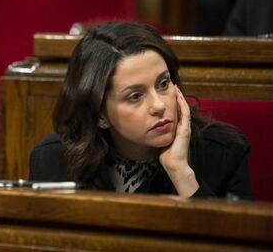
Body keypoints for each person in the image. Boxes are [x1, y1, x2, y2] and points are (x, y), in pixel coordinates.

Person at [29, 22, 252, 199]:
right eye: (135, 96)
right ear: (100, 115)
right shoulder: (54, 159)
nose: (159, 105)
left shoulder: (223, 152)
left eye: (163, 84)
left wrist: (181, 174)